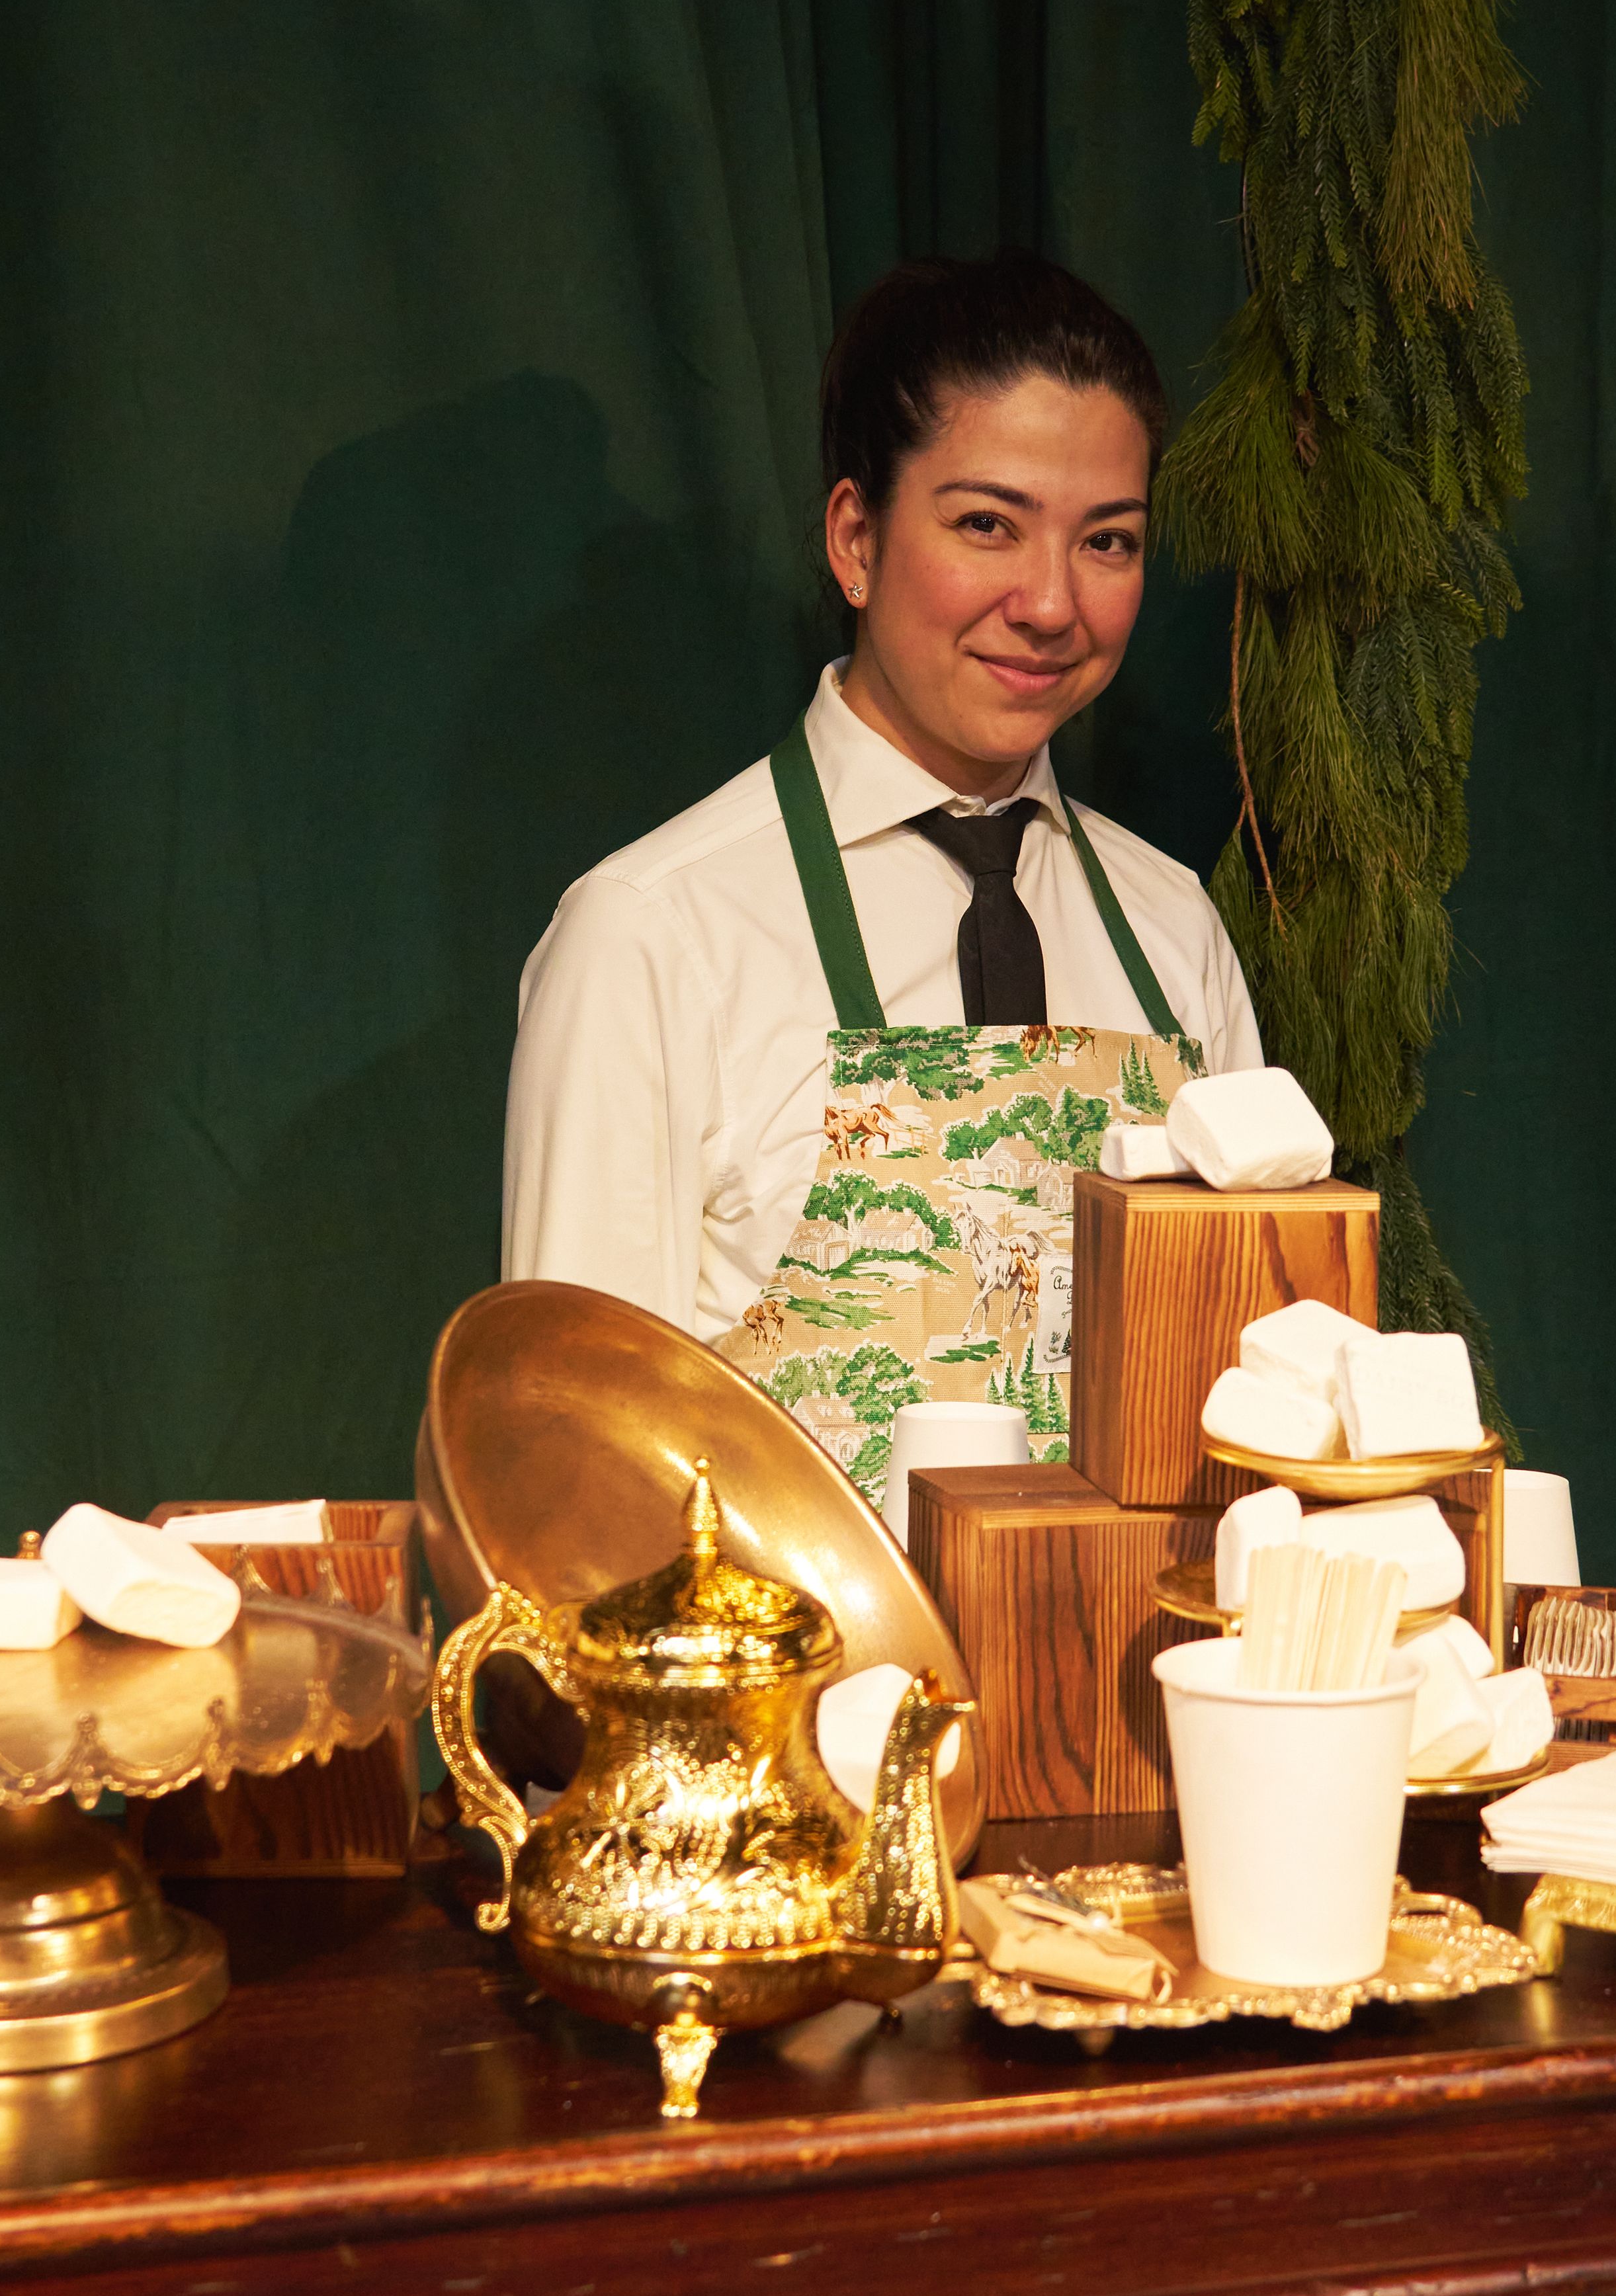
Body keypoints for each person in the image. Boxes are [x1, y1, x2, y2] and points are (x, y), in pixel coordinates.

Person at [501, 251, 1261, 1496]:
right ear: (855, 539)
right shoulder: (651, 938)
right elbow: (573, 1482)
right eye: (985, 526)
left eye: (1108, 542)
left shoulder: (1175, 931)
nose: (1051, 602)